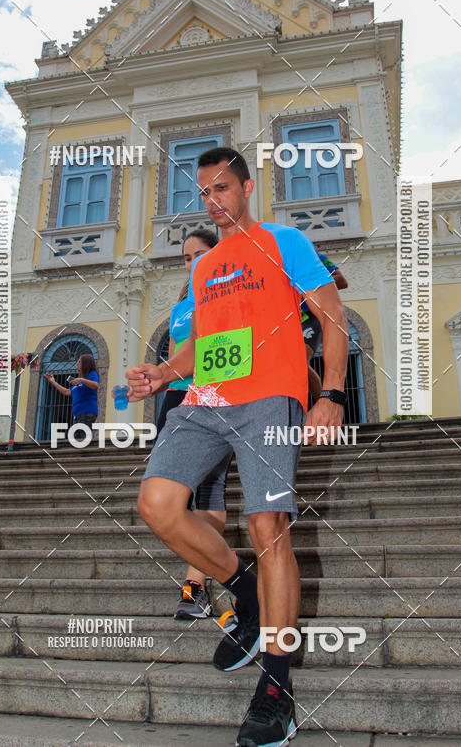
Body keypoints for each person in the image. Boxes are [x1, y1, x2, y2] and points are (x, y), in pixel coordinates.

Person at [126, 147, 348, 747]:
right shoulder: (204, 268)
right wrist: (163, 372)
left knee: (267, 527)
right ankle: (249, 595)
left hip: (271, 397)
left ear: (247, 187)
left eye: (222, 188)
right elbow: (200, 344)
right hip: (205, 401)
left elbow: (334, 318)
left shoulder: (284, 243)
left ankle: (276, 688)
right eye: (203, 192)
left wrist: (331, 394)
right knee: (158, 504)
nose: (212, 201)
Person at [155, 228, 235, 622]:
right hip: (177, 399)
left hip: (214, 396)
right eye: (186, 258)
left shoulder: (230, 290)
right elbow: (174, 359)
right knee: (166, 495)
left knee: (208, 489)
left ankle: (195, 586)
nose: (192, 264)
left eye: (200, 254)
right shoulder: (179, 307)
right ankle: (220, 562)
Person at [301, 251, 348, 404]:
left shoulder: (314, 257)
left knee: (301, 361)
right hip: (286, 319)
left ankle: (326, 404)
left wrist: (308, 285)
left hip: (310, 316)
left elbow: (341, 281)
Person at [44, 353, 100, 431]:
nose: (77, 363)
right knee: (77, 439)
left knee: (81, 440)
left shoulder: (92, 374)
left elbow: (96, 385)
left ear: (86, 364)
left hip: (87, 412)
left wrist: (81, 380)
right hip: (78, 415)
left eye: (79, 361)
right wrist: (53, 382)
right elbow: (67, 392)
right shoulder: (78, 381)